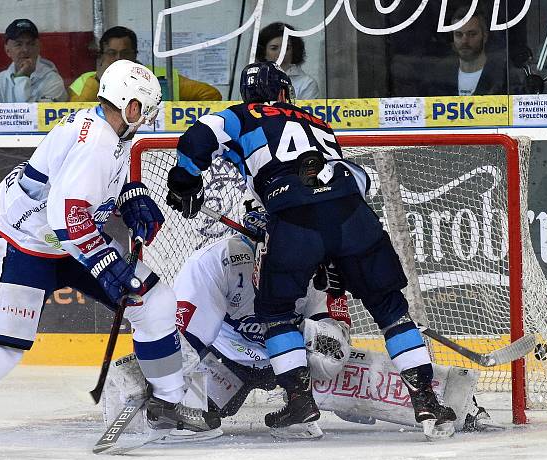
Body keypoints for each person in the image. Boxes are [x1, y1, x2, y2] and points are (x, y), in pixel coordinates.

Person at [0, 60, 216, 459]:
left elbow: (104, 182)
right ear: (128, 105)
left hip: (67, 244)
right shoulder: (93, 142)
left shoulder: (111, 129)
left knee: (153, 300)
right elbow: (67, 216)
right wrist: (107, 265)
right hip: (30, 249)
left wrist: (131, 196)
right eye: (144, 107)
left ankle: (166, 405)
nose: (147, 115)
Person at [165, 61, 458, 440]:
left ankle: (300, 404)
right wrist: (333, 251)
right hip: (353, 215)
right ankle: (426, 402)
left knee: (277, 315)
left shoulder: (241, 116)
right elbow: (357, 179)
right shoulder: (316, 122)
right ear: (285, 92)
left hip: (294, 217)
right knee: (390, 309)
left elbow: (198, 135)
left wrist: (185, 180)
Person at [102, 206, 495, 443]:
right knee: (184, 415)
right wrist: (164, 385)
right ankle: (133, 392)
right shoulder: (212, 265)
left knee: (357, 381)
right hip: (226, 360)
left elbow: (334, 351)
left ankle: (458, 403)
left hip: (299, 368)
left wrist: (303, 334)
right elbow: (188, 342)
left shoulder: (314, 269)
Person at [68, 26, 221, 102]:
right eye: (111, 53)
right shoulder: (84, 82)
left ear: (135, 54)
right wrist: (99, 80)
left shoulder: (160, 76)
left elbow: (212, 95)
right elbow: (74, 114)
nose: (119, 59)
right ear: (101, 56)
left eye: (126, 53)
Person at [428, 7, 508, 96]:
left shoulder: (503, 76)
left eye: (472, 34)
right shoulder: (440, 76)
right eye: (458, 35)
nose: (464, 41)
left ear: (484, 36)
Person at [0, 18, 67, 103]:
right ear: (7, 50)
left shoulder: (53, 80)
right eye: (18, 44)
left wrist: (22, 77)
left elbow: (32, 114)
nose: (25, 49)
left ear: (39, 47)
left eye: (31, 44)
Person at [256, 22, 319, 99]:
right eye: (274, 48)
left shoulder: (307, 83)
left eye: (286, 48)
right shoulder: (254, 80)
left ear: (294, 50)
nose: (281, 53)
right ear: (263, 52)